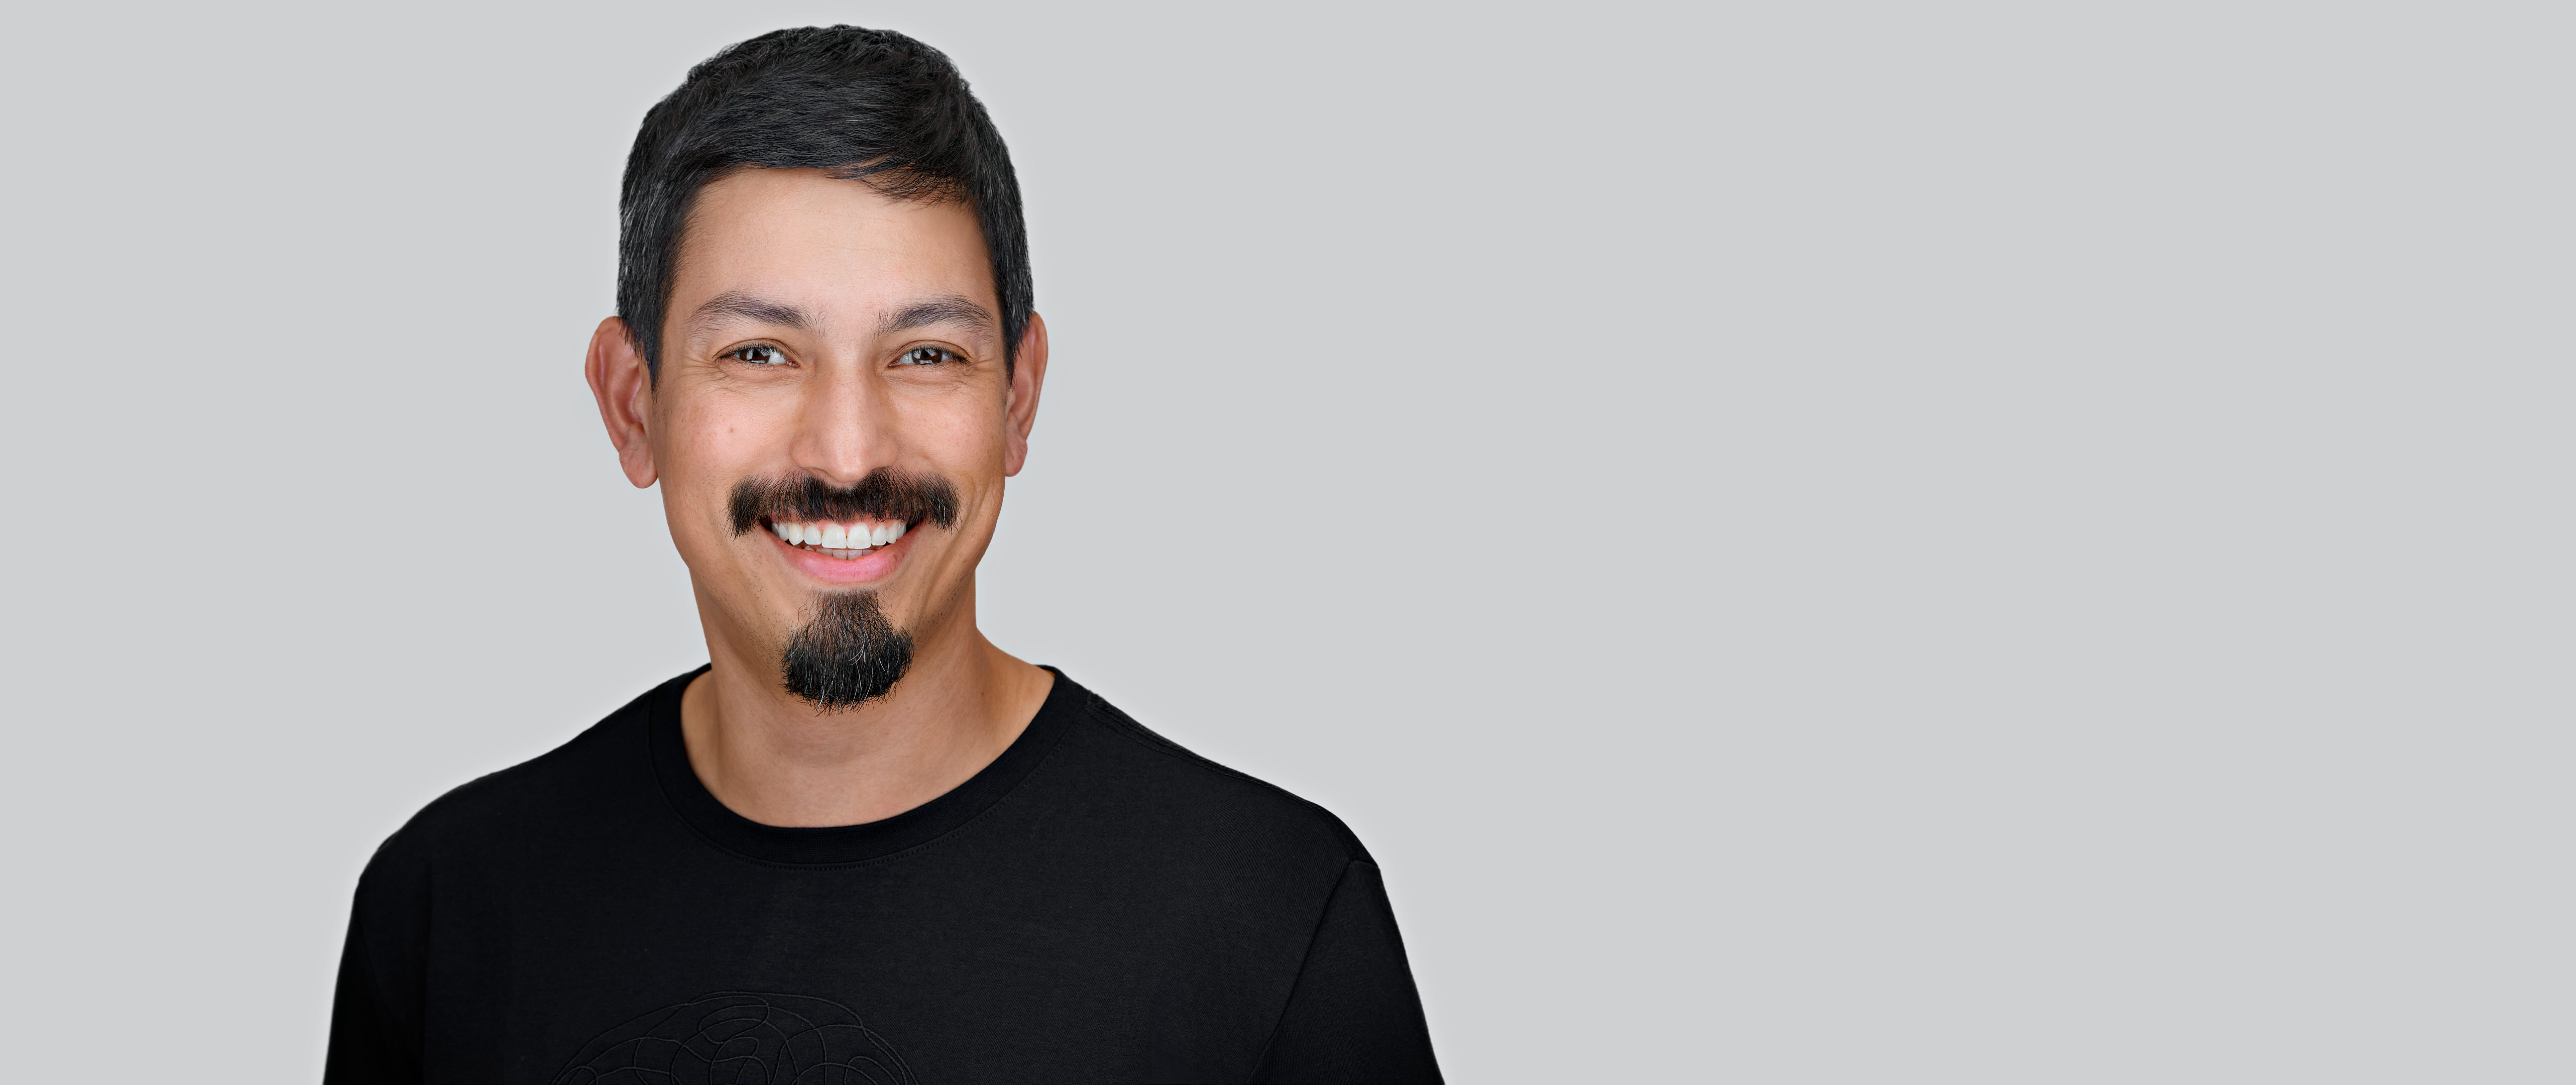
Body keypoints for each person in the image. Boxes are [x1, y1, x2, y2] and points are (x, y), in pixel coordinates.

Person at [323, 26, 1440, 1084]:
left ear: (1019, 396)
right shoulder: (446, 912)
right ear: (633, 405)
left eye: (924, 353)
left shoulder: (1275, 920)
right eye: (761, 353)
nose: (848, 451)